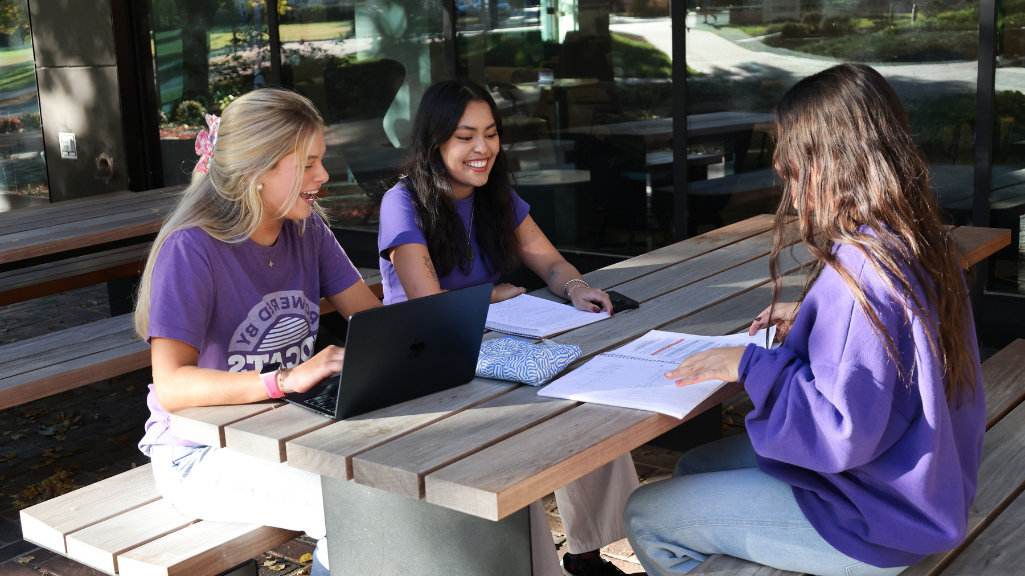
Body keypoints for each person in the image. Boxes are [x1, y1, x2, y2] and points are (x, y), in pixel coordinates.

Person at [622, 63, 986, 576]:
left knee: (645, 515)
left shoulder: (863, 274)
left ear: (830, 160)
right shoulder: (912, 238)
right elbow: (892, 348)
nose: (787, 181)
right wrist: (813, 320)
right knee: (695, 467)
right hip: (919, 486)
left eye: (791, 161)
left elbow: (838, 430)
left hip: (879, 514)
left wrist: (750, 366)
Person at [377, 78, 637, 576]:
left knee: (588, 397)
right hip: (430, 361)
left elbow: (550, 263)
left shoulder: (496, 193)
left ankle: (588, 551)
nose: (483, 149)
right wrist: (488, 294)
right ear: (435, 142)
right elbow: (429, 306)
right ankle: (538, 567)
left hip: (495, 344)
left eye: (491, 134)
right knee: (518, 438)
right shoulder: (403, 202)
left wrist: (576, 287)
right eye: (466, 136)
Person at [134, 89, 382, 576]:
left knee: (404, 482)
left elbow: (374, 323)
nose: (324, 177)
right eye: (308, 164)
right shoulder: (191, 249)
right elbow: (173, 384)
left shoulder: (308, 229)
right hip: (200, 453)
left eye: (322, 161)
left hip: (285, 431)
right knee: (355, 509)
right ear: (256, 173)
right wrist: (284, 379)